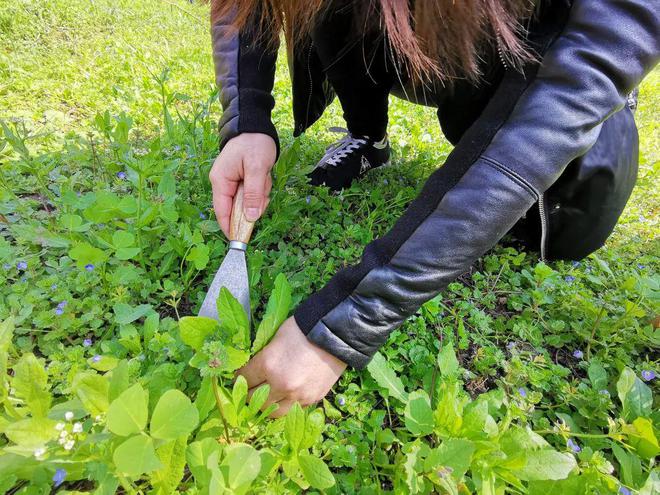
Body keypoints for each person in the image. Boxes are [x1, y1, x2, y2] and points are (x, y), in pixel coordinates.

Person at [208, 0, 659, 417]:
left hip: (548, 66)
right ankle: (369, 138)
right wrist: (246, 120)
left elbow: (570, 89)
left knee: (562, 232)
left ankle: (561, 138)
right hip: (432, 40)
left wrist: (347, 324)